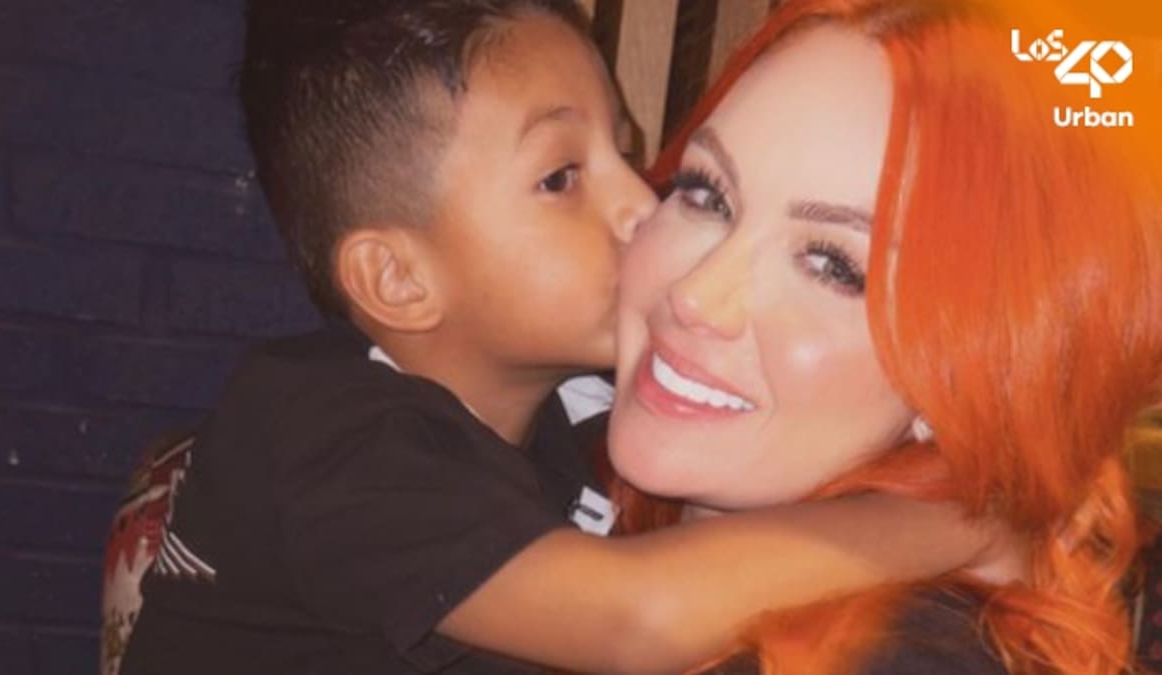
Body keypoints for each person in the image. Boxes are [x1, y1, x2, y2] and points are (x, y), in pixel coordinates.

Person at [120, 2, 1023, 673]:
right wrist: (957, 518)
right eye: (562, 178)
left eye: (629, 154)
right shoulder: (323, 431)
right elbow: (637, 617)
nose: (642, 204)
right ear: (398, 278)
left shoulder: (576, 411)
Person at [605, 0, 1162, 673]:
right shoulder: (546, 446)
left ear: (971, 377)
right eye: (705, 194)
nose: (694, 295)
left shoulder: (909, 656)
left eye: (832, 266)